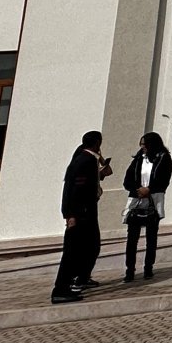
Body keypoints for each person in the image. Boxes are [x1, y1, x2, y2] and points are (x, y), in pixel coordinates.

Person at [50, 130, 104, 304]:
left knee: (91, 247)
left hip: (85, 212)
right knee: (73, 252)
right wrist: (71, 214)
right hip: (82, 214)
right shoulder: (85, 161)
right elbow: (75, 190)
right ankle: (61, 289)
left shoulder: (85, 159)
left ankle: (80, 278)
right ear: (97, 143)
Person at [122, 131, 172, 282]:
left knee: (151, 237)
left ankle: (148, 268)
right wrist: (138, 190)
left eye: (144, 144)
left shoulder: (163, 158)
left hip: (153, 200)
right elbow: (127, 180)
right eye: (141, 145)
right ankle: (129, 270)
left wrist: (149, 189)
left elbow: (164, 179)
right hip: (137, 200)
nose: (142, 147)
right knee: (132, 239)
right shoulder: (138, 159)